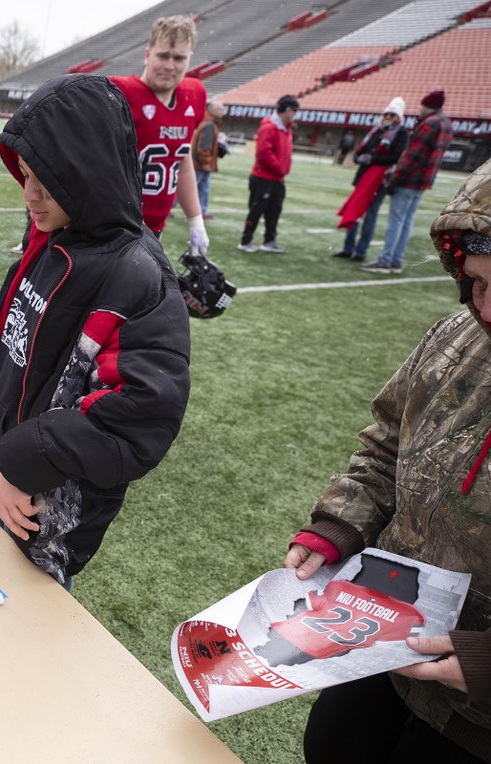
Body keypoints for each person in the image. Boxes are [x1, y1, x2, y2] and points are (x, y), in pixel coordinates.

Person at [0, 74, 191, 589]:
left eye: (47, 178)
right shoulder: (54, 235)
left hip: (58, 502)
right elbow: (16, 319)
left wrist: (25, 467)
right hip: (22, 480)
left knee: (29, 610)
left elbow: (135, 418)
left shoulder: (137, 276)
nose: (30, 193)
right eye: (25, 173)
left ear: (87, 174)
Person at [285, 159, 491, 763]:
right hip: (388, 639)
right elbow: (386, 445)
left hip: (476, 721)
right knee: (330, 745)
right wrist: (339, 524)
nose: (488, 306)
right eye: (477, 281)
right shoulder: (453, 339)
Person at [110, 15, 208, 252]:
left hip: (154, 229)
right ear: (147, 54)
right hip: (111, 227)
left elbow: (181, 160)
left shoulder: (194, 94)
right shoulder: (119, 92)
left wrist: (196, 220)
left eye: (179, 58)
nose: (169, 65)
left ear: (189, 60)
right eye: (163, 56)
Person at [361, 90, 454, 275]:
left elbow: (413, 156)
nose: (420, 108)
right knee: (406, 221)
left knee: (396, 221)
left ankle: (386, 260)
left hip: (409, 179)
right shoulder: (445, 123)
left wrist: (395, 178)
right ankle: (396, 260)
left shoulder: (430, 124)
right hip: (423, 181)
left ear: (428, 106)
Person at [332, 97, 407, 263]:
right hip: (364, 177)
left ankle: (361, 251)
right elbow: (360, 151)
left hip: (381, 180)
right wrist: (361, 158)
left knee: (370, 215)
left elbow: (396, 156)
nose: (388, 117)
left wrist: (372, 158)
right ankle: (348, 248)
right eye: (387, 114)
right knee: (356, 211)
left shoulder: (401, 134)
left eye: (392, 115)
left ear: (398, 117)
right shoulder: (376, 131)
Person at [238, 94, 297, 253]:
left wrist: (284, 170)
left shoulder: (287, 129)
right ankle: (246, 240)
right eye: (294, 110)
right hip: (263, 177)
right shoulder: (269, 127)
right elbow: (264, 153)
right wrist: (279, 168)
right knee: (256, 210)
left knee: (274, 211)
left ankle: (269, 240)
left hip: (278, 178)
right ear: (287, 110)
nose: (295, 114)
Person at [191, 100, 225, 219]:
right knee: (192, 188)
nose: (222, 111)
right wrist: (205, 162)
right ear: (213, 111)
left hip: (200, 162)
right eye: (220, 109)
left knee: (202, 188)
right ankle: (171, 206)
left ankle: (202, 212)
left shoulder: (209, 123)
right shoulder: (209, 124)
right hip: (200, 163)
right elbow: (204, 146)